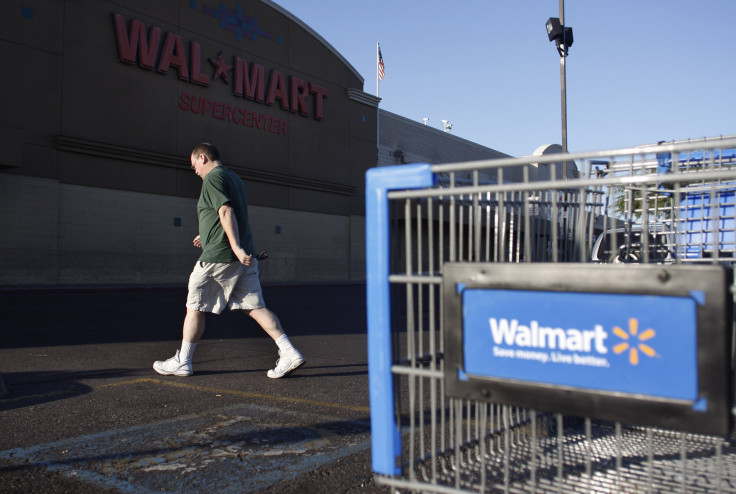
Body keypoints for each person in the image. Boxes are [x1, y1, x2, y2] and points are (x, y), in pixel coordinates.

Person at [153, 143, 305, 379]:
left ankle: (183, 362)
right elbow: (225, 215)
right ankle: (289, 352)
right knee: (254, 307)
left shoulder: (212, 178)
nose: (194, 171)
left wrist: (233, 247)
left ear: (202, 158)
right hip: (245, 256)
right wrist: (208, 235)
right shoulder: (233, 178)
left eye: (194, 165)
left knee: (194, 307)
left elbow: (226, 212)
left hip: (220, 257)